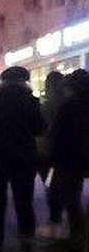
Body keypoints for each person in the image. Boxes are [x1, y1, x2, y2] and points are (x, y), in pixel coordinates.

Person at [0, 65, 45, 252]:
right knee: (24, 204)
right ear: (24, 81)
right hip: (23, 159)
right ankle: (27, 248)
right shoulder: (31, 101)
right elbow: (40, 128)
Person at [49, 68, 89, 245]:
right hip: (81, 156)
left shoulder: (69, 106)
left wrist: (52, 157)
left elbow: (58, 134)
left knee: (69, 195)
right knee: (73, 194)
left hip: (69, 158)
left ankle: (78, 234)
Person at [37, 70, 70, 238]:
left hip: (48, 156)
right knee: (69, 189)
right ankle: (70, 223)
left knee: (51, 187)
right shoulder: (69, 104)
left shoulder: (46, 107)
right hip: (67, 154)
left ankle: (56, 220)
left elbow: (42, 131)